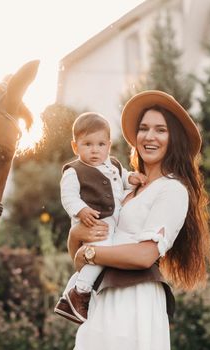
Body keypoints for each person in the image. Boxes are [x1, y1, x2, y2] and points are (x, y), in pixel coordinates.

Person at [68, 90, 210, 349]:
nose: (149, 136)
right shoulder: (124, 189)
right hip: (102, 298)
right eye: (144, 128)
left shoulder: (173, 190)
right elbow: (80, 256)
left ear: (174, 139)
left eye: (160, 130)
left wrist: (90, 254)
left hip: (135, 300)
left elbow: (145, 255)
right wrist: (75, 237)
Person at [54, 112, 146, 324]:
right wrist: (80, 210)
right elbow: (68, 196)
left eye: (100, 144)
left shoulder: (113, 164)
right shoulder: (73, 171)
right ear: (75, 147)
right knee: (100, 255)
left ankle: (69, 295)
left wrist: (132, 178)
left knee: (101, 257)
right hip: (92, 222)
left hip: (110, 222)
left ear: (109, 145)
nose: (95, 150)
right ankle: (81, 293)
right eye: (87, 144)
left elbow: (122, 179)